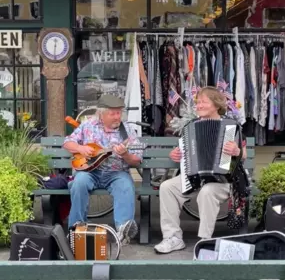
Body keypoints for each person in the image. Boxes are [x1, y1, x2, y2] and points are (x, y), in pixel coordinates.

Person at [154, 86, 247, 254]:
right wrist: (175, 154)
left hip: (223, 179)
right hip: (195, 177)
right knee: (167, 187)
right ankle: (173, 237)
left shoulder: (231, 127)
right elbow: (183, 151)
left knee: (207, 191)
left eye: (203, 102)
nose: (199, 105)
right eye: (198, 102)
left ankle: (205, 240)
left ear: (216, 105)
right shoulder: (190, 127)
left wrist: (237, 151)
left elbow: (243, 154)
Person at [63, 94, 143, 245]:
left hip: (116, 173)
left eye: (119, 112)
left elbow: (137, 159)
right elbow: (68, 143)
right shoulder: (88, 126)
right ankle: (76, 229)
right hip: (89, 171)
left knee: (125, 185)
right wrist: (81, 147)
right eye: (112, 113)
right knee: (79, 183)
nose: (116, 117)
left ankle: (123, 231)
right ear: (101, 113)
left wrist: (125, 154)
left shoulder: (127, 130)